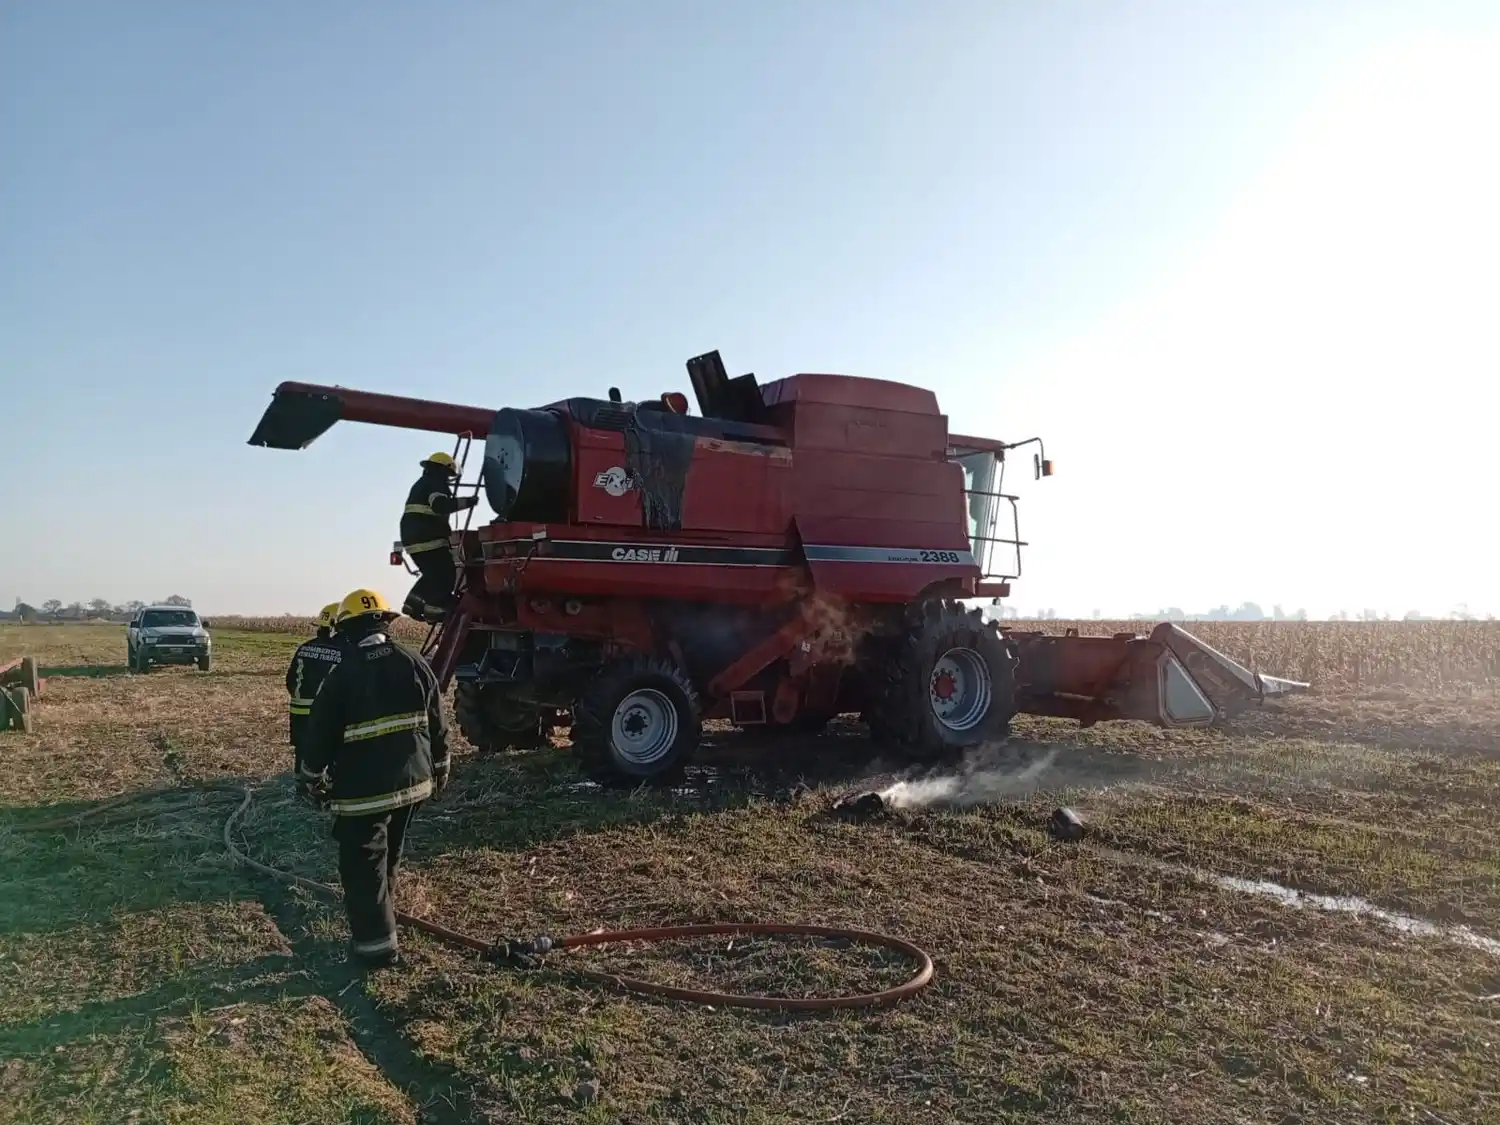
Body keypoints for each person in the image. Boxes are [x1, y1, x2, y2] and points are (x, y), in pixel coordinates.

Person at [299, 588, 452, 970]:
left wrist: (310, 777)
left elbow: (318, 736)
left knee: (363, 866)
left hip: (364, 793)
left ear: (347, 630)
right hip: (415, 784)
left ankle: (376, 949)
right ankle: (386, 922)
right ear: (385, 623)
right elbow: (438, 719)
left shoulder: (341, 676)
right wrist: (442, 764)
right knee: (390, 855)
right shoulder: (415, 662)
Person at [400, 451, 477, 621]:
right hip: (428, 536)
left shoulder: (422, 483)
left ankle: (413, 603)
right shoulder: (436, 483)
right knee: (446, 572)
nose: (449, 478)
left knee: (431, 573)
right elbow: (440, 505)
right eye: (449, 474)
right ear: (443, 470)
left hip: (412, 537)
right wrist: (468, 502)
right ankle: (436, 608)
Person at [286, 603, 344, 785]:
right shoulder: (343, 652)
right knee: (328, 749)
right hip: (323, 713)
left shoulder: (305, 648)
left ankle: (299, 787)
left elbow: (290, 679)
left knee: (302, 750)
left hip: (298, 711)